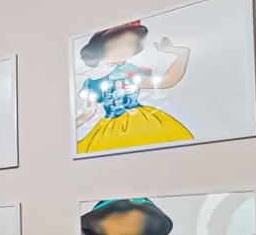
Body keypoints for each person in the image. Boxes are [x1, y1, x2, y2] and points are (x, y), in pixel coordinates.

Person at [73, 23, 194, 154]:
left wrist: (182, 55)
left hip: (140, 122)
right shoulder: (92, 83)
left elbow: (166, 81)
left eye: (130, 47)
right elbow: (89, 112)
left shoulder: (127, 72)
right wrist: (69, 131)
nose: (126, 51)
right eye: (119, 46)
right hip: (109, 128)